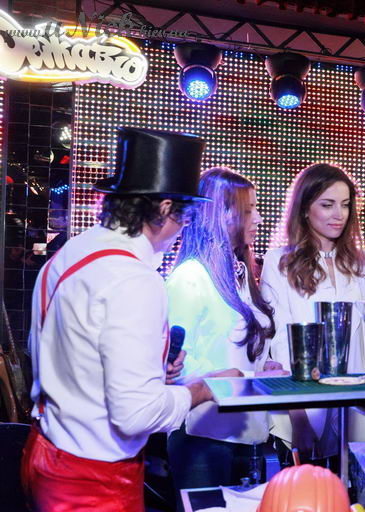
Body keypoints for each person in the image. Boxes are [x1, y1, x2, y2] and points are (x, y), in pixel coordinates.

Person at [21, 128, 234, 511]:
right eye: (184, 218)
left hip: (45, 453)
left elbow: (68, 356)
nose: (181, 231)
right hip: (91, 481)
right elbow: (136, 414)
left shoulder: (72, 251)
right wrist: (202, 389)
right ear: (165, 209)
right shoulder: (135, 279)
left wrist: (150, 371)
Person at [165, 168, 283, 508]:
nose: (258, 219)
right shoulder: (190, 277)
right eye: (248, 210)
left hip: (249, 435)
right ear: (219, 214)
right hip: (203, 439)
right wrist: (240, 377)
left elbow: (237, 351)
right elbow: (173, 368)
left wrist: (263, 367)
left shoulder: (241, 275)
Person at [260, 163, 365, 465]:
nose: (339, 214)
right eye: (327, 205)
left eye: (345, 205)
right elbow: (281, 345)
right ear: (304, 209)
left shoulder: (361, 262)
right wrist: (298, 417)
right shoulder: (279, 262)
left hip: (358, 407)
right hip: (305, 408)